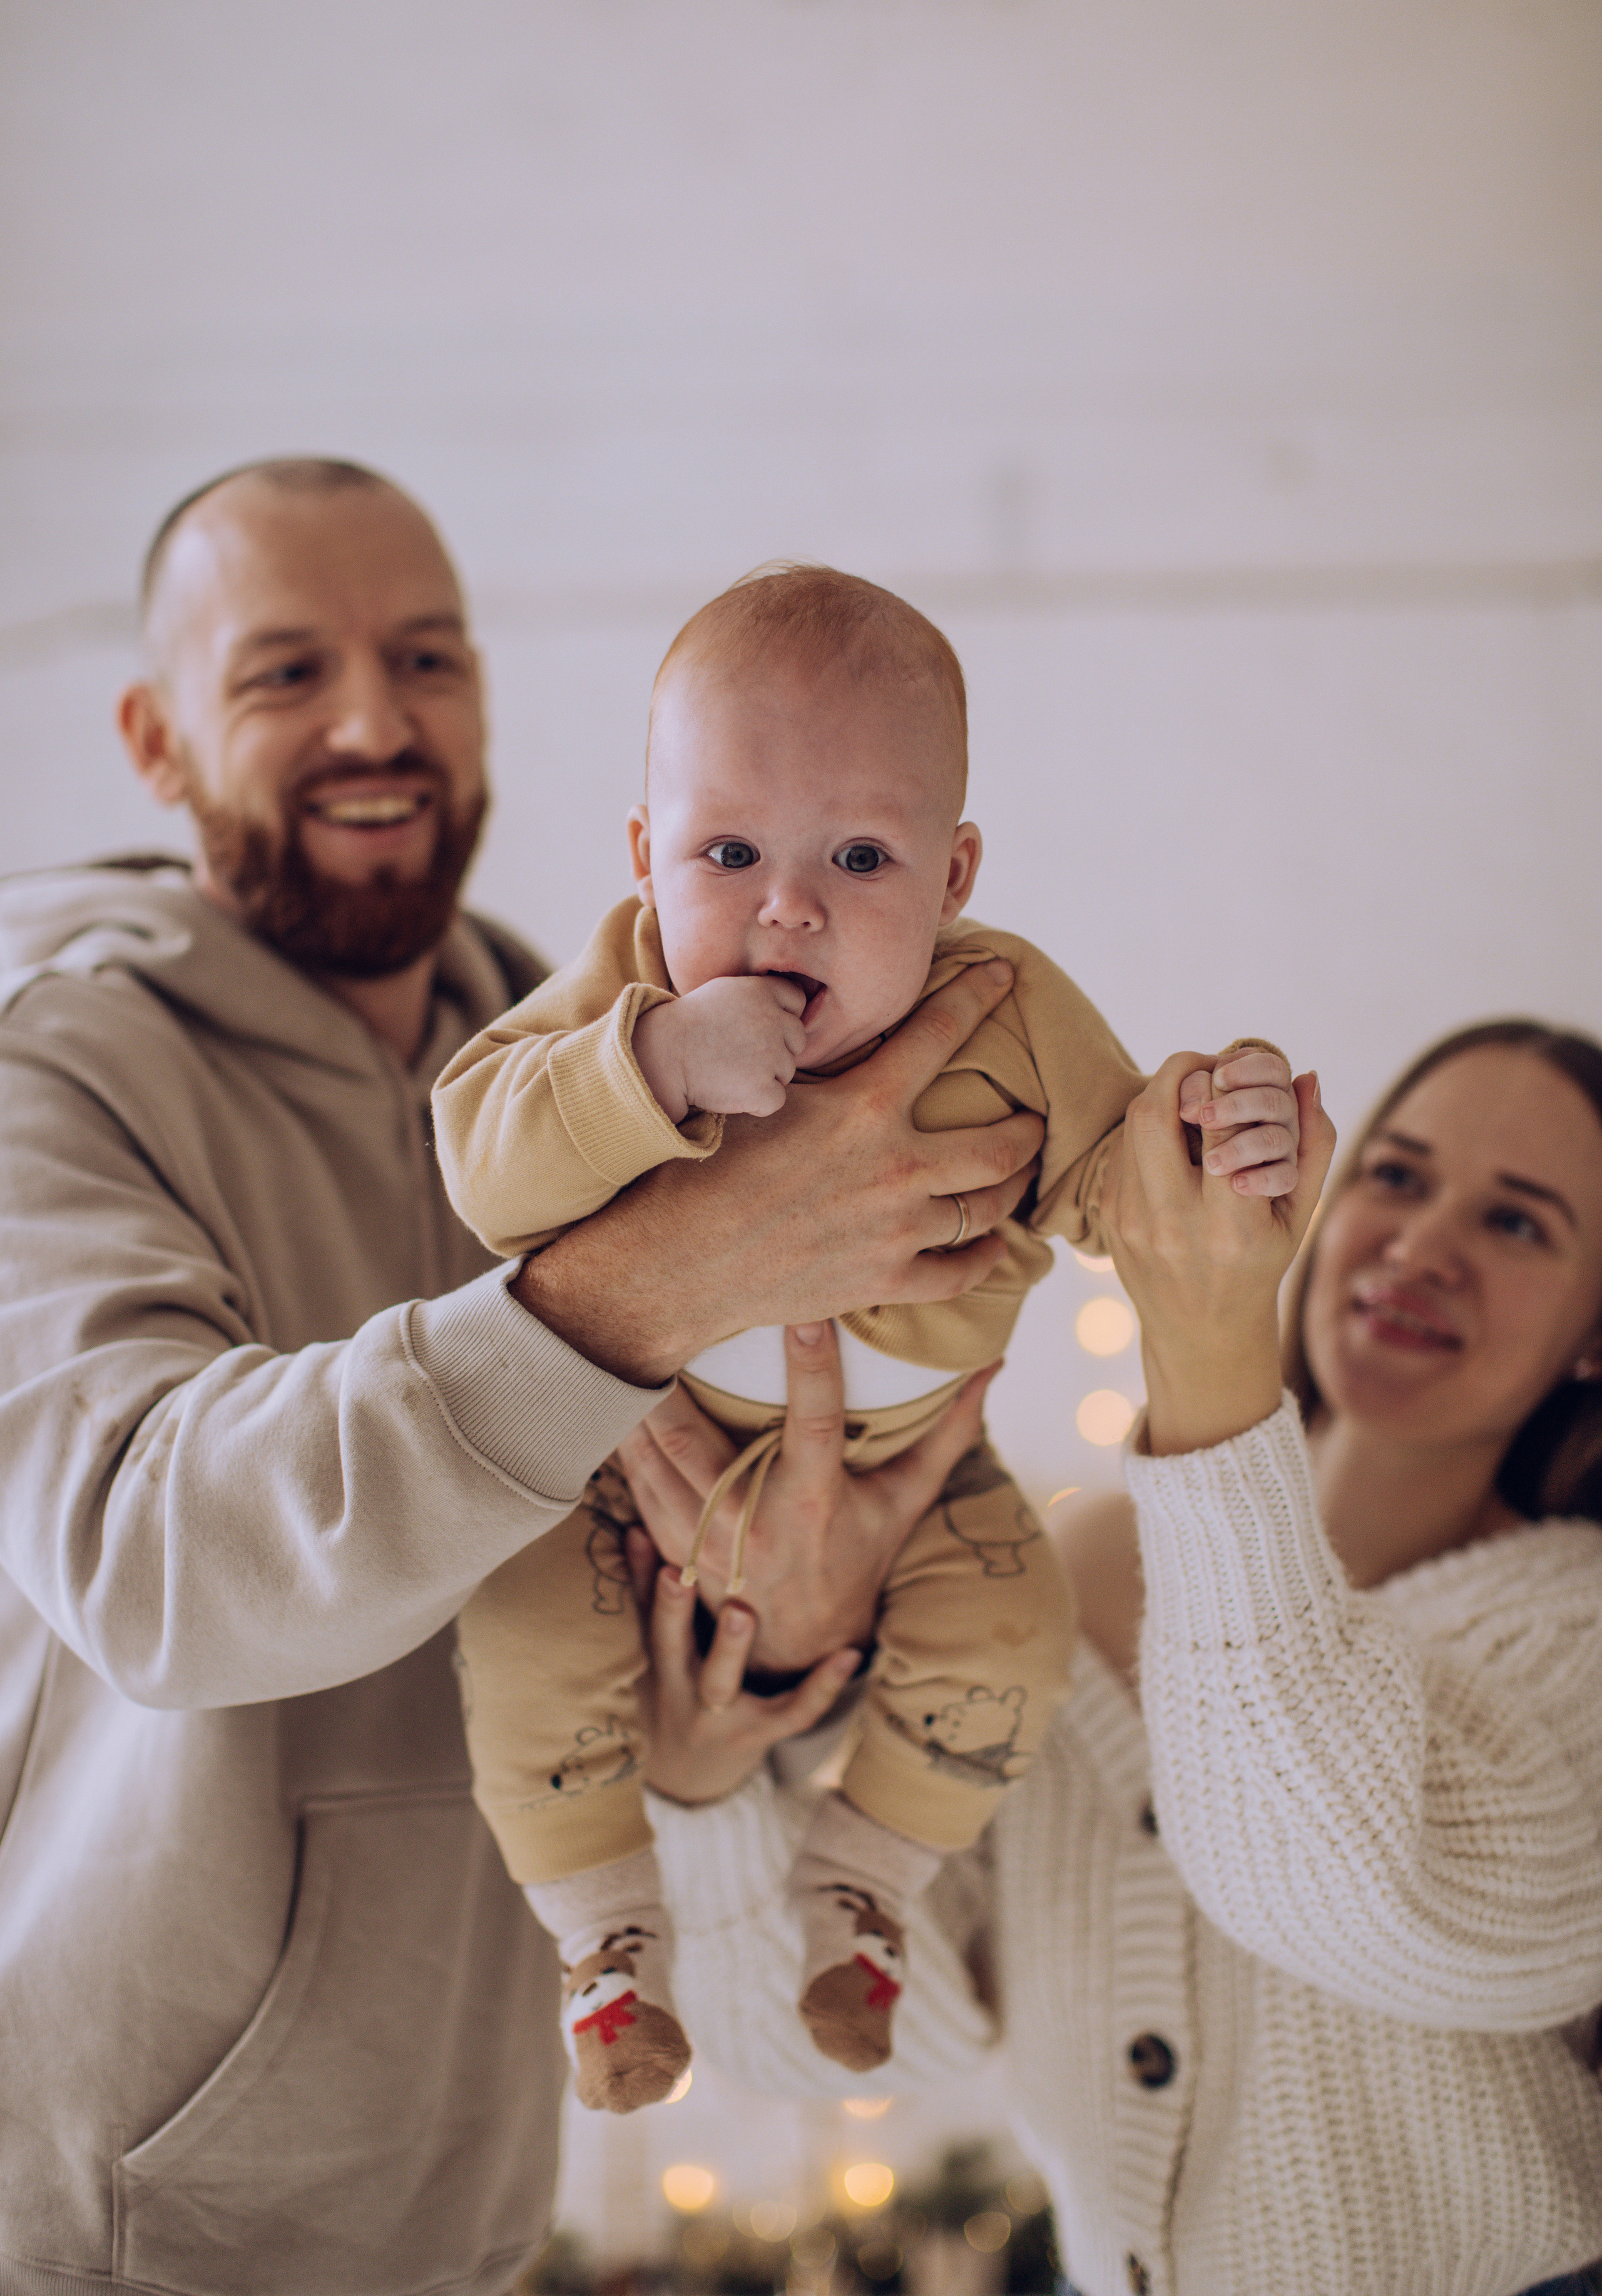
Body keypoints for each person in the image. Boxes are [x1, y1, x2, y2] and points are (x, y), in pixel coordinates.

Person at [0, 457, 1063, 2296]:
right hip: (118, 2229)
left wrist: (770, 1661)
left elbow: (648, 1592)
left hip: (474, 2210)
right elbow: (150, 1567)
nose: (374, 722)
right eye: (282, 673)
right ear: (155, 740)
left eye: (428, 658)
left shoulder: (604, 1048)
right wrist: (656, 1281)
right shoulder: (59, 1066)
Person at [427, 563, 1300, 2112]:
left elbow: (1108, 1178)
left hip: (919, 1482)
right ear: (644, 859)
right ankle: (605, 1936)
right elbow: (482, 1157)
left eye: (859, 853)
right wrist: (650, 1064)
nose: (789, 903)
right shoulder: (626, 990)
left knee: (1017, 1625)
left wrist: (1203, 1131)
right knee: (517, 1622)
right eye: (728, 851)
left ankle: (863, 1887)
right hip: (627, 1479)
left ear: (955, 873)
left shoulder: (1008, 1006)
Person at [629, 1021, 1602, 2296]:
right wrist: (711, 1780)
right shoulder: (1070, 1568)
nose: (1421, 1249)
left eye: (1517, 1224)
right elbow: (841, 2030)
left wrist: (1206, 1353)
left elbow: (1332, 1891)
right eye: (1398, 1177)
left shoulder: (1573, 1631)